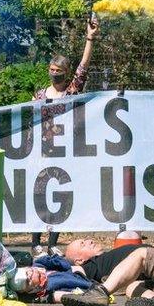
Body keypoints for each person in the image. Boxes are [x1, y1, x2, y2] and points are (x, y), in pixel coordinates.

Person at [32, 16, 100, 256]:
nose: (54, 74)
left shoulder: (72, 91)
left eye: (59, 71)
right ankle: (35, 241)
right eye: (51, 70)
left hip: (64, 151)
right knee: (40, 192)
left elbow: (84, 66)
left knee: (60, 193)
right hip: (42, 150)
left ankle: (52, 242)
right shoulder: (40, 94)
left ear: (66, 73)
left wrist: (90, 37)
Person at [64, 238, 146, 282]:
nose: (90, 241)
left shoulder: (105, 258)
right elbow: (68, 271)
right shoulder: (91, 266)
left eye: (85, 240)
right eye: (83, 244)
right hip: (151, 261)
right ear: (79, 261)